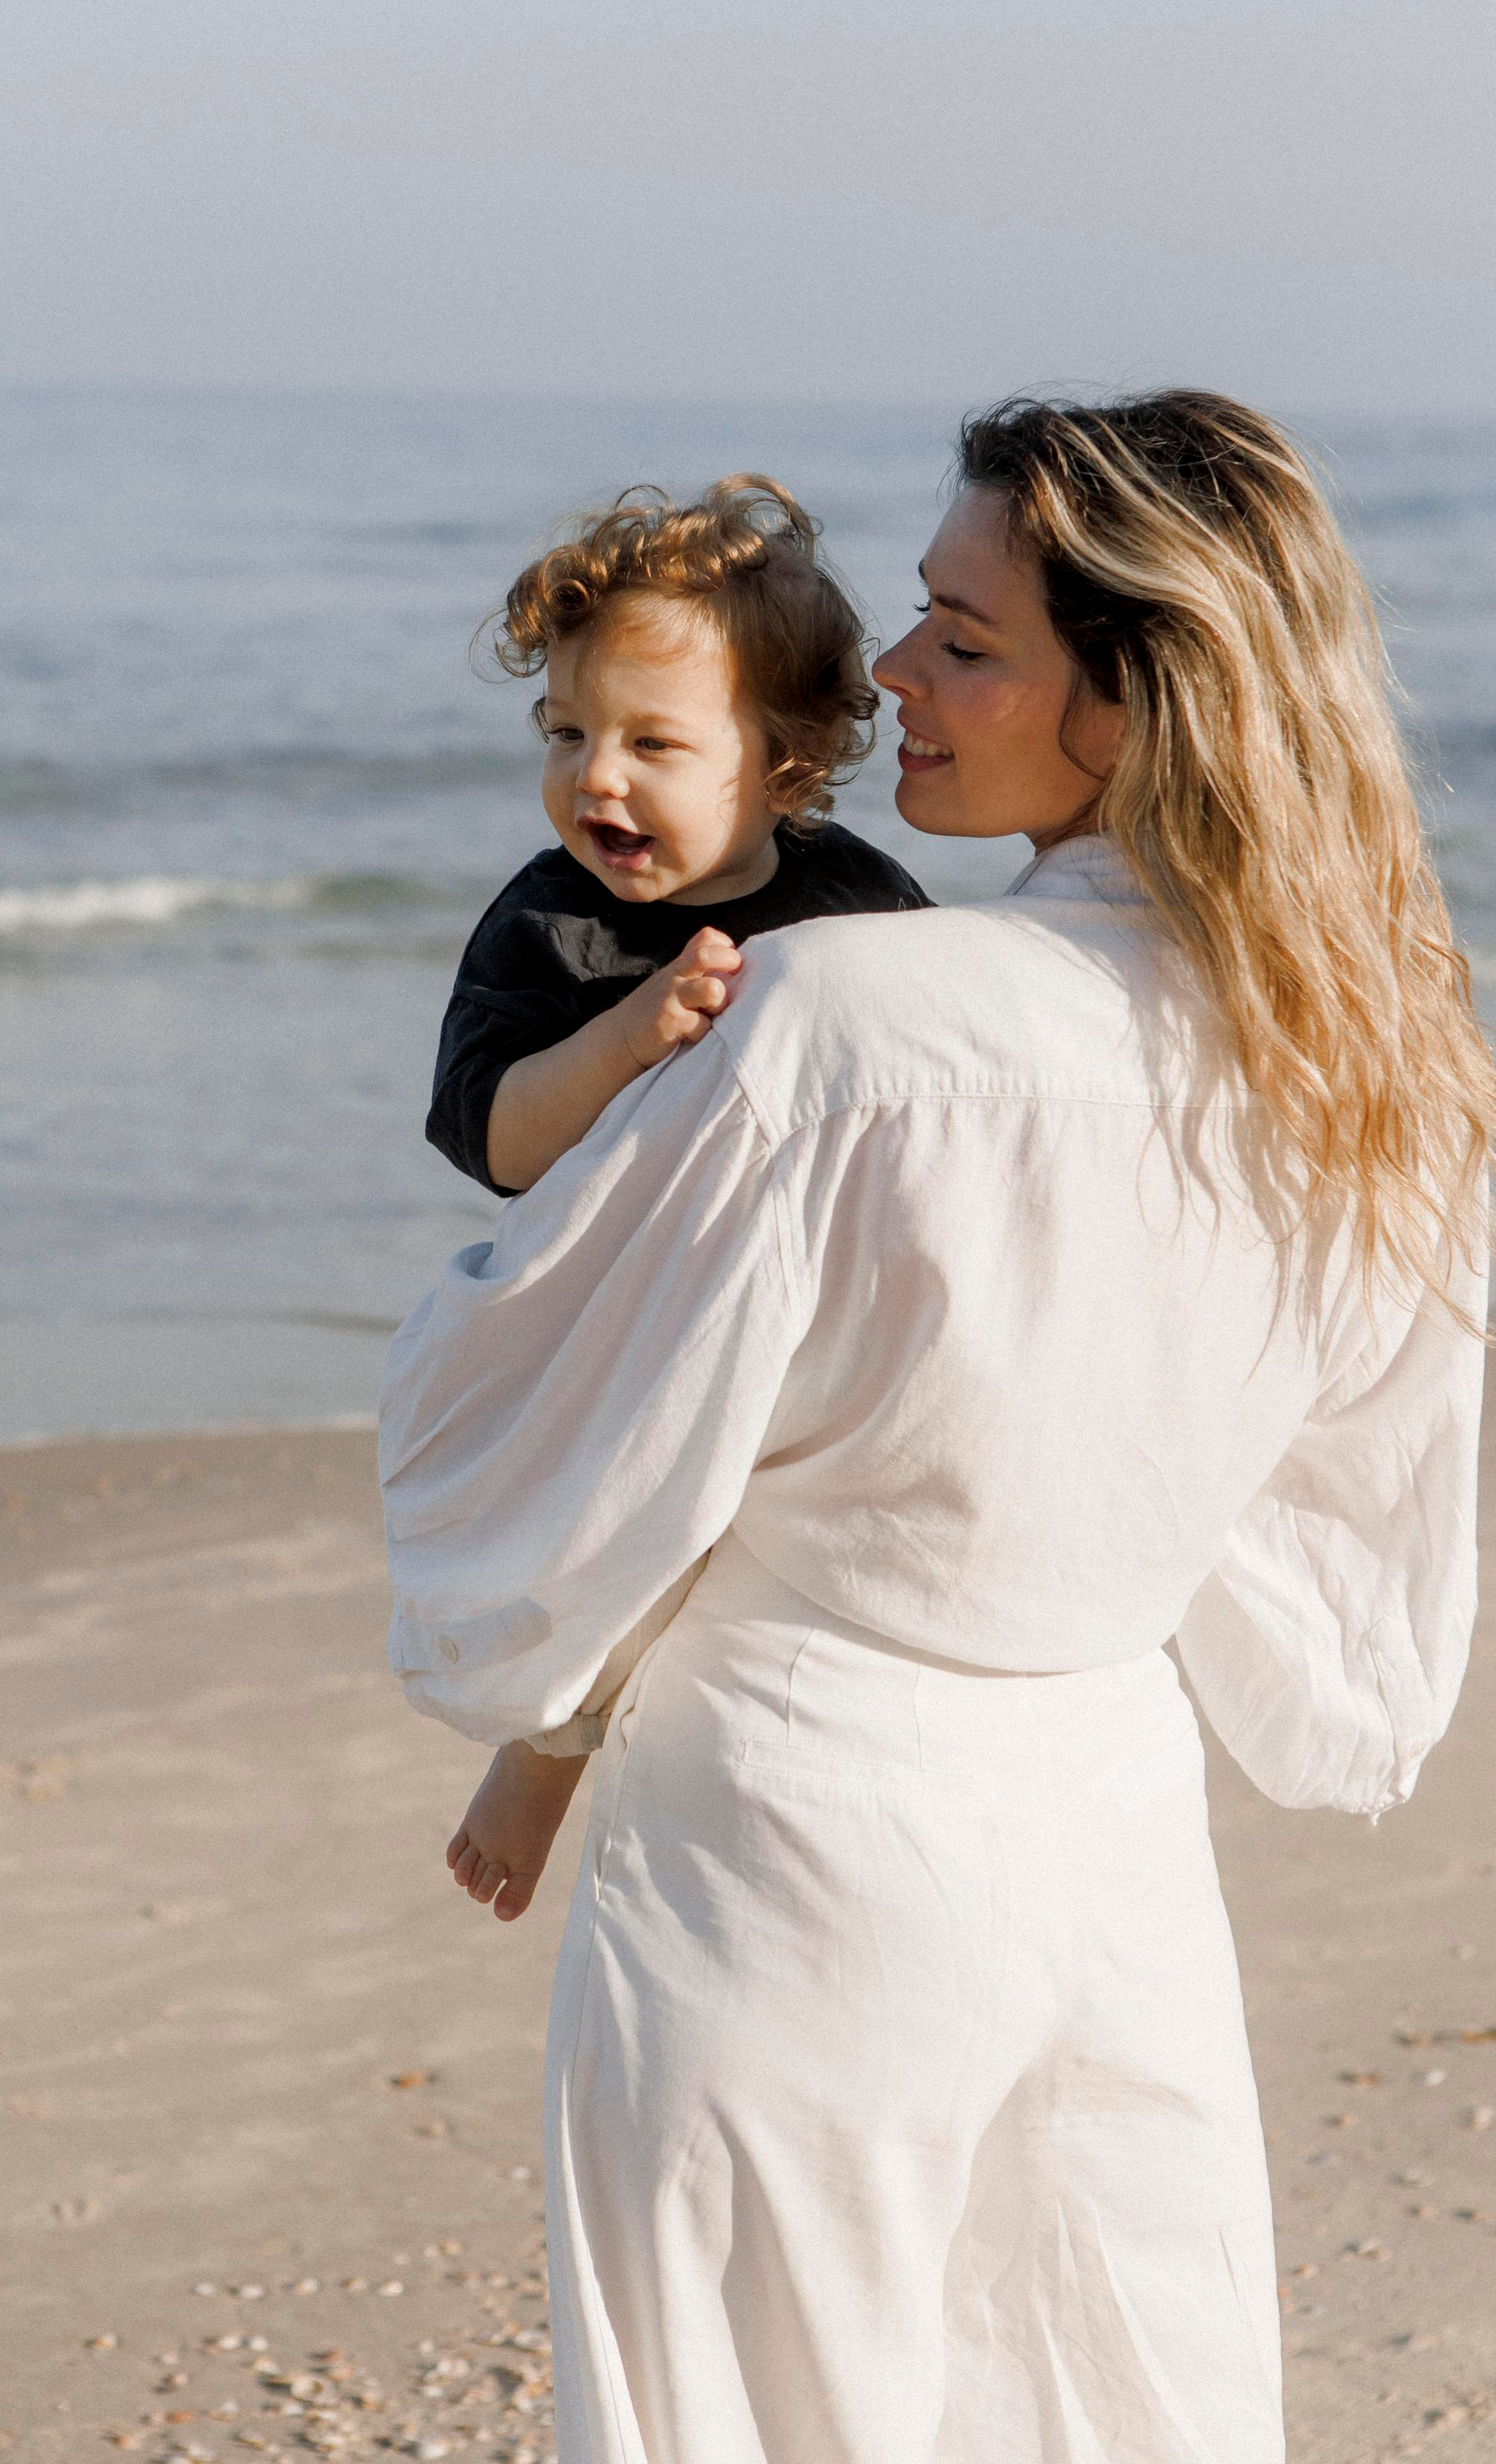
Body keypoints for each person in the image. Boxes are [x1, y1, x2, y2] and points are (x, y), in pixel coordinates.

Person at [379, 392, 1496, 2464]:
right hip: (1108, 1822)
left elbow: (529, 1415)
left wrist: (530, 1696)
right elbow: (1340, 1522)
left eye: (962, 635)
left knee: (744, 2415)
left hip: (788, 1833)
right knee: (1112, 2401)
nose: (892, 670)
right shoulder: (1364, 1050)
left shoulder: (843, 1028)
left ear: (1132, 702)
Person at [425, 473, 928, 1919]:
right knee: (624, 1534)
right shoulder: (548, 921)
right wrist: (631, 1037)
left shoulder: (859, 909)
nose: (598, 779)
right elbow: (497, 1135)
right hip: (611, 1307)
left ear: (782, 766)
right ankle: (545, 1749)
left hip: (797, 1298)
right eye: (567, 734)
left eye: (653, 742)